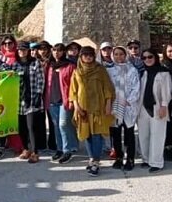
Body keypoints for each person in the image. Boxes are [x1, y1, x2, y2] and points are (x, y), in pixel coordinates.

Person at [69, 46, 115, 176]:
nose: (88, 57)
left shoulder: (100, 70)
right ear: (81, 56)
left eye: (90, 55)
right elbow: (73, 91)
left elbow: (108, 88)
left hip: (98, 108)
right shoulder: (77, 71)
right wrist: (77, 107)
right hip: (83, 108)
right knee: (87, 134)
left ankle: (96, 161)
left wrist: (108, 104)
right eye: (85, 55)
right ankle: (91, 158)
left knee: (97, 134)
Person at [7, 41, 46, 163]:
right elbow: (4, 72)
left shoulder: (35, 63)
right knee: (21, 127)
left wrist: (39, 94)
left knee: (31, 127)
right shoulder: (15, 65)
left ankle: (34, 152)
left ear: (28, 51)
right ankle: (25, 149)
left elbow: (41, 79)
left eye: (24, 49)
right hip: (19, 100)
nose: (21, 52)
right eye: (19, 50)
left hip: (32, 99)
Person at [137, 48, 171, 173]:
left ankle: (156, 162)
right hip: (143, 108)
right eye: (144, 58)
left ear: (155, 57)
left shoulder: (164, 72)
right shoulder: (142, 73)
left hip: (158, 107)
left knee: (157, 135)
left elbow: (166, 91)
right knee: (143, 135)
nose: (147, 60)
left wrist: (164, 105)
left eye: (150, 57)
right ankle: (146, 159)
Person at [108, 45, 141, 170]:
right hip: (114, 106)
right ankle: (118, 157)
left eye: (121, 54)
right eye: (116, 54)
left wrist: (129, 100)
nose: (118, 56)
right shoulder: (109, 71)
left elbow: (136, 86)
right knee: (116, 134)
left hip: (128, 105)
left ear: (125, 55)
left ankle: (130, 159)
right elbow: (107, 88)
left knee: (129, 133)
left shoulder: (132, 70)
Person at [51, 43, 79, 163]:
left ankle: (67, 150)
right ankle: (60, 148)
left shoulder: (70, 66)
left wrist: (73, 99)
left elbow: (75, 85)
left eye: (59, 50)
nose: (56, 53)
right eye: (54, 50)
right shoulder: (50, 65)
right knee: (56, 125)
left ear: (64, 52)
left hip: (65, 99)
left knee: (63, 124)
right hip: (52, 99)